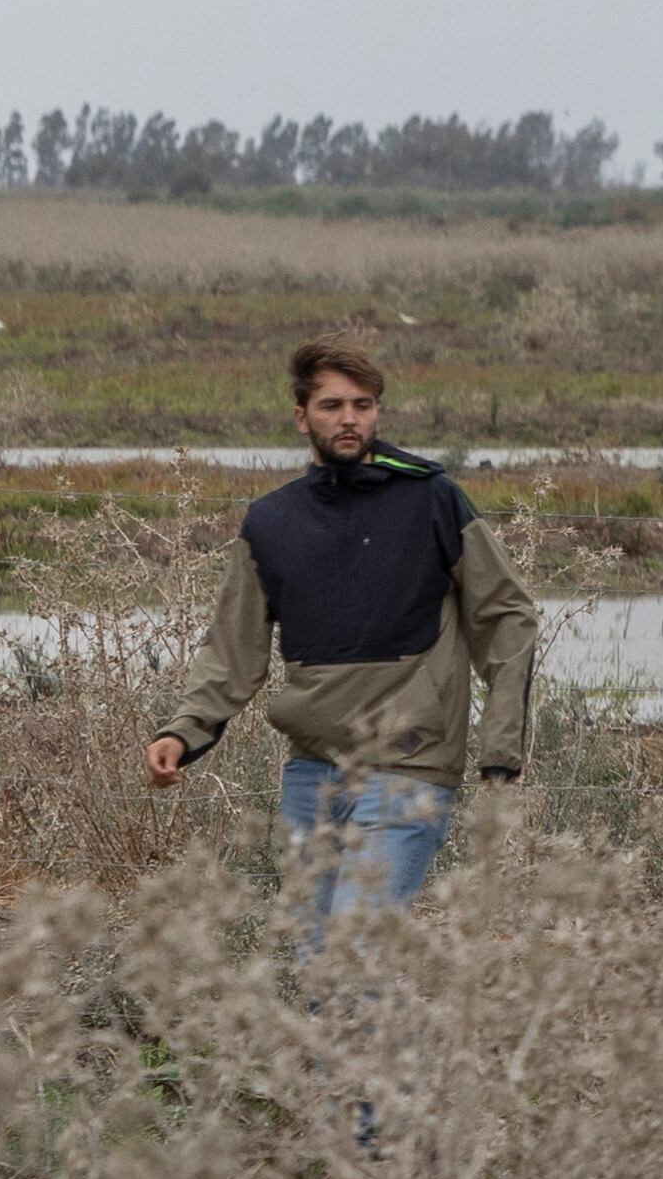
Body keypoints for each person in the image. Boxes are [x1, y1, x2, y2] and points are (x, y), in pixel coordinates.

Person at [147, 339, 541, 943]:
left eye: (364, 404)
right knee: (315, 958)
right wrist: (183, 730)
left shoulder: (432, 498)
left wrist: (501, 752)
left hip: (410, 766)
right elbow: (233, 647)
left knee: (355, 949)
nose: (350, 418)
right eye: (332, 405)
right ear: (302, 416)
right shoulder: (272, 521)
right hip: (312, 771)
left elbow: (507, 616)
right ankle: (389, 1042)